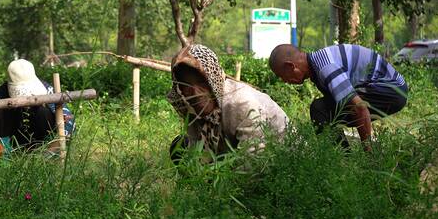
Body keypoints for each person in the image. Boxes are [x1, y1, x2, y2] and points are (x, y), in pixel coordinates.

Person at [269, 44, 408, 151]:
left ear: (291, 66)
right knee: (323, 110)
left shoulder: (325, 68)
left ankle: (346, 159)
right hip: (382, 88)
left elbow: (359, 108)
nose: (285, 81)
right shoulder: (316, 66)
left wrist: (368, 153)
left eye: (283, 76)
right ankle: (340, 158)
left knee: (320, 110)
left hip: (392, 89)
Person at [167, 44, 289, 163]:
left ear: (213, 80)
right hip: (235, 156)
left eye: (201, 83)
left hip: (282, 160)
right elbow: (197, 151)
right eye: (186, 86)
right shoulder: (192, 109)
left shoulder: (242, 104)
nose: (195, 93)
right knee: (179, 146)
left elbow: (253, 162)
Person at [0, 59, 75, 158]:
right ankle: (5, 154)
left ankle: (41, 148)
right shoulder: (1, 93)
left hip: (41, 136)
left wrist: (51, 149)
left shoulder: (47, 90)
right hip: (13, 136)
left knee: (43, 111)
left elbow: (70, 122)